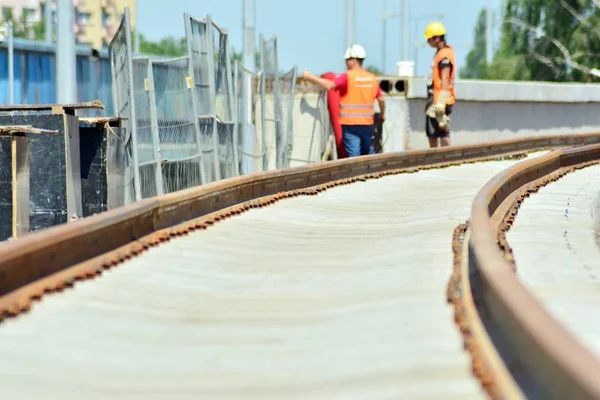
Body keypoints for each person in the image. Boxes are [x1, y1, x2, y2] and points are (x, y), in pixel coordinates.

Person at [302, 44, 385, 157]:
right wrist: (382, 115)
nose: (346, 63)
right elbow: (381, 99)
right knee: (368, 156)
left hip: (350, 125)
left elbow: (330, 85)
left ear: (353, 60)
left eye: (347, 60)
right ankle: (369, 174)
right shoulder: (371, 78)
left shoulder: (348, 77)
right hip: (367, 124)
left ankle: (357, 174)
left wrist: (310, 77)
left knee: (353, 158)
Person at [424, 21, 456, 148]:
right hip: (437, 98)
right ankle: (441, 159)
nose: (427, 42)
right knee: (438, 131)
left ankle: (441, 159)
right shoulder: (441, 53)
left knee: (439, 132)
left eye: (429, 39)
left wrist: (441, 102)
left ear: (437, 39)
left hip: (439, 100)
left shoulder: (444, 55)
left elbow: (445, 78)